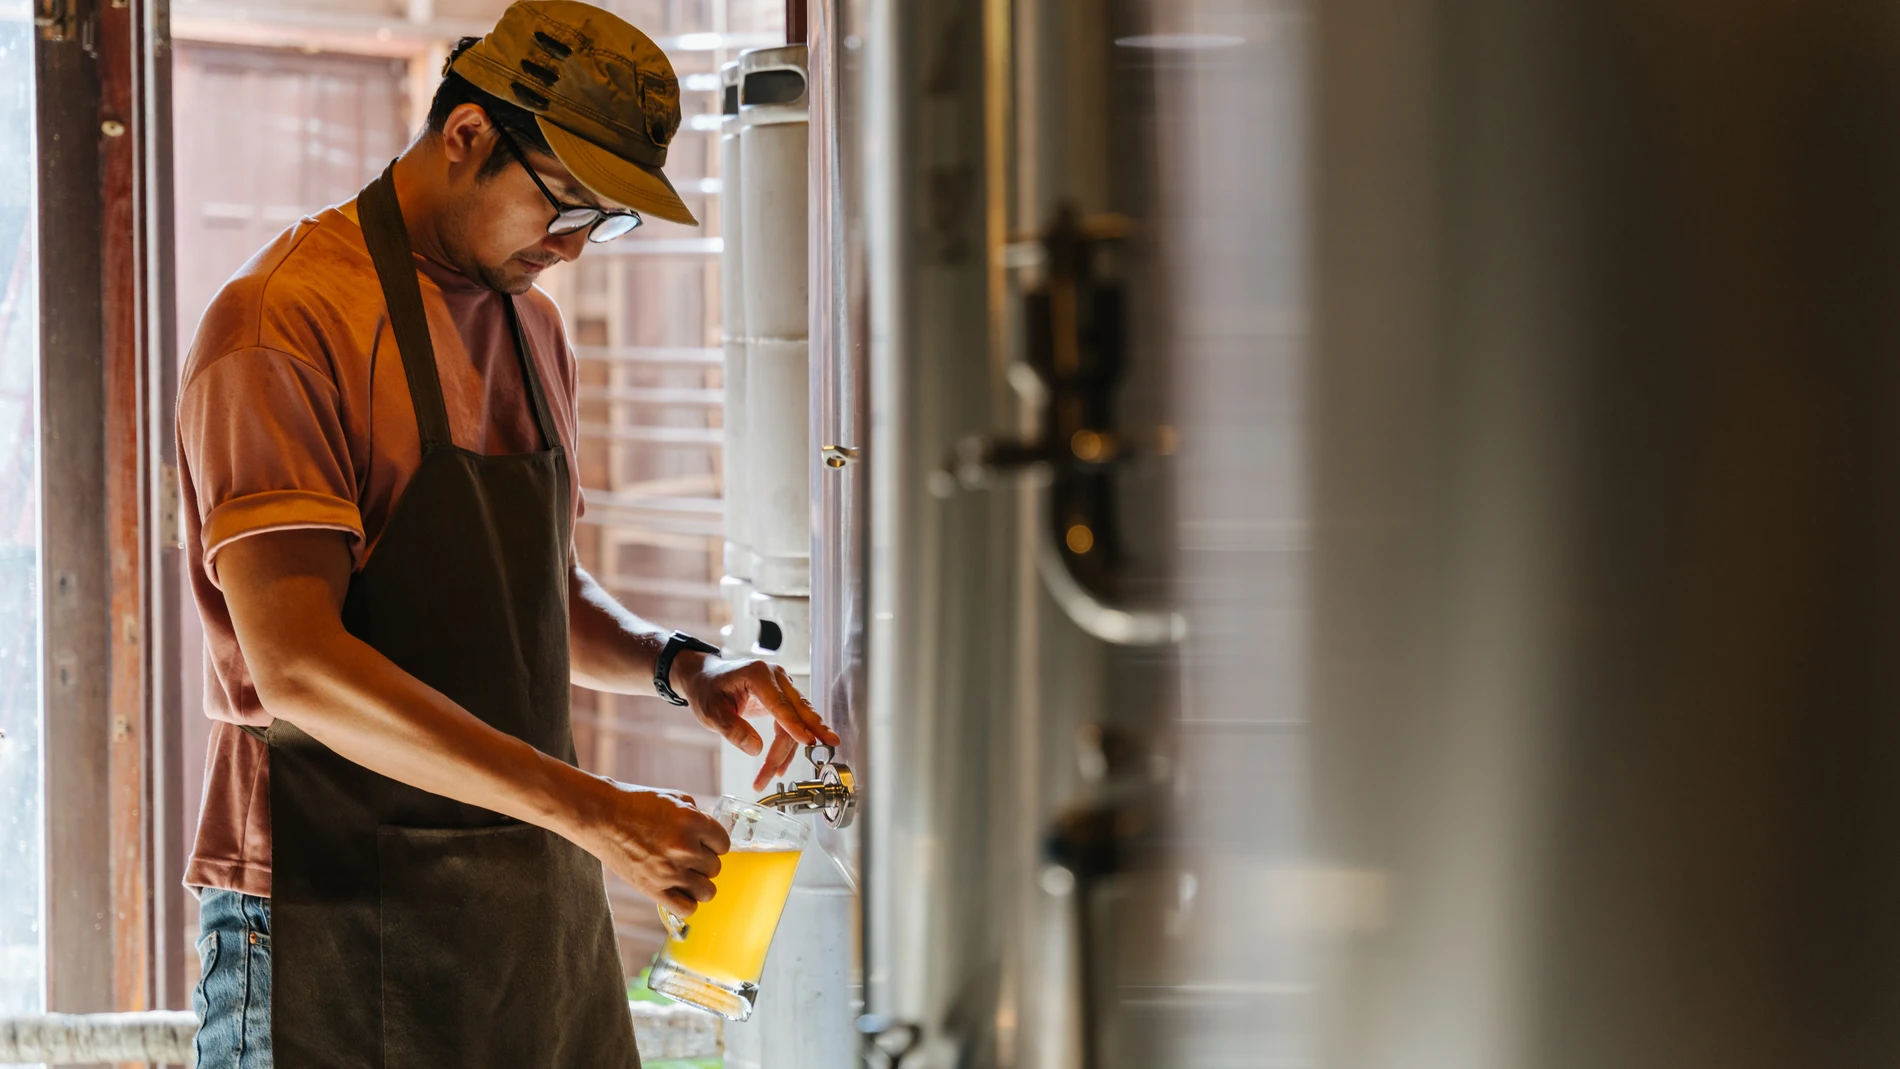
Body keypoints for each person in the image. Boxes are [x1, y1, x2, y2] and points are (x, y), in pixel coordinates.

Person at [175, 4, 835, 1066]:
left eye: (603, 223)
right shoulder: (283, 323)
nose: (569, 249)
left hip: (524, 896)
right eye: (565, 203)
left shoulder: (532, 325)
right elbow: (297, 665)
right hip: (328, 907)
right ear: (468, 132)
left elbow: (536, 591)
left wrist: (682, 665)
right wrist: (595, 809)